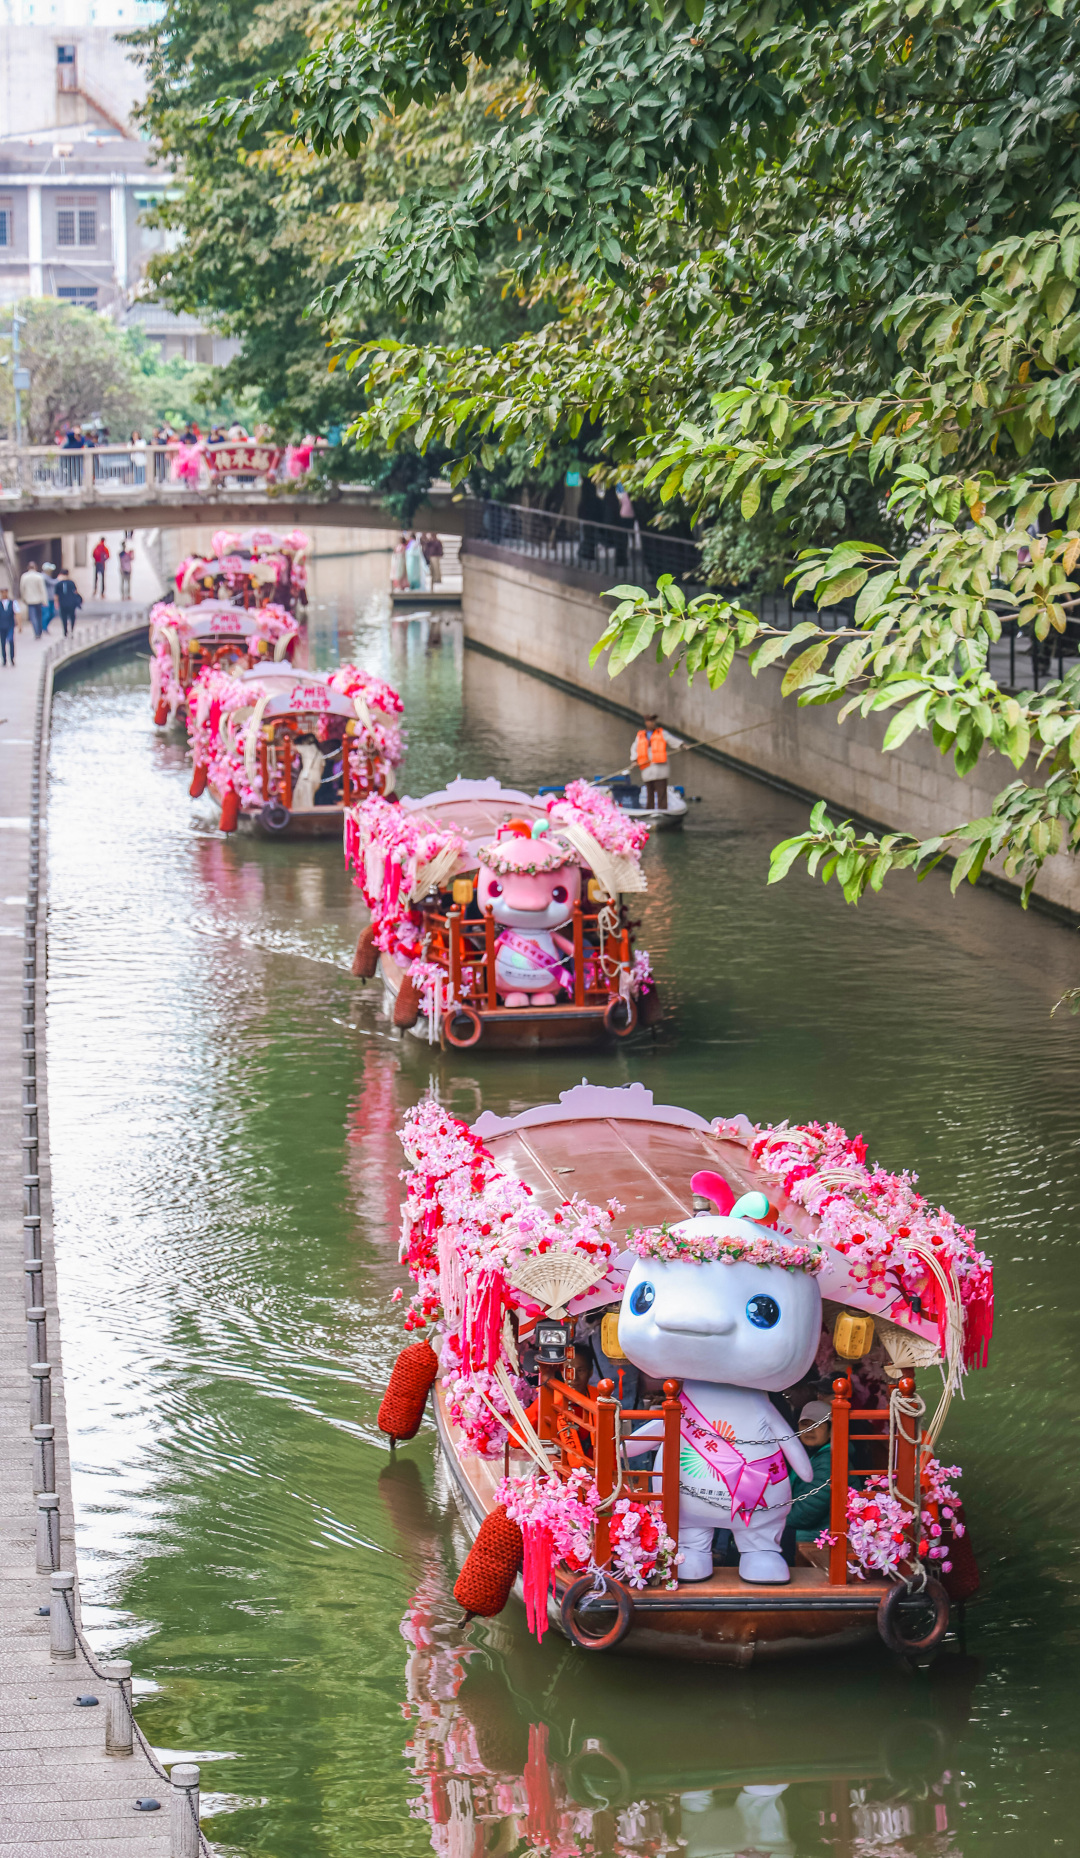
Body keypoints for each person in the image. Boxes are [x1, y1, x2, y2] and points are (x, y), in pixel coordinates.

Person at [787, 1401, 835, 1544]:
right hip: (808, 1527)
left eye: (817, 1424)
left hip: (823, 1533)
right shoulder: (809, 1454)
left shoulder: (829, 1460)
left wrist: (770, 1520)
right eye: (805, 1424)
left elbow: (807, 1512)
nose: (809, 1430)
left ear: (831, 1430)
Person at [630, 712, 680, 811]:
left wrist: (681, 745)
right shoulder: (640, 736)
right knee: (650, 791)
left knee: (661, 791)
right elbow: (634, 748)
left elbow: (672, 740)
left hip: (660, 768)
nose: (652, 723)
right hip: (647, 768)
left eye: (653, 721)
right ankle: (650, 809)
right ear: (646, 722)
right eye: (650, 721)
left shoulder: (661, 733)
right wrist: (634, 759)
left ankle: (662, 809)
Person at [19, 560, 47, 637]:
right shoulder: (39, 576)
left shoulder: (24, 576)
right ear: (35, 567)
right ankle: (39, 631)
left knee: (33, 617)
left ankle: (36, 632)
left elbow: (22, 588)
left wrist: (23, 598)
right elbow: (42, 589)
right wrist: (44, 600)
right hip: (38, 599)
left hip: (29, 600)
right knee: (39, 616)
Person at [54, 568, 81, 637]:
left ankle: (65, 631)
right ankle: (71, 630)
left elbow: (56, 595)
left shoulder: (58, 584)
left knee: (64, 618)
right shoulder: (71, 583)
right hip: (71, 603)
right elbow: (75, 592)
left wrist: (56, 603)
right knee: (72, 617)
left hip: (62, 603)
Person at [0, 587, 16, 666]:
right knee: (3, 643)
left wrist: (19, 625)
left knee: (10, 640)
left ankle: (12, 658)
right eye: (2, 592)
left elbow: (17, 613)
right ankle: (4, 659)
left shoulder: (12, 603)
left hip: (10, 625)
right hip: (1, 626)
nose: (4, 594)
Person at [39, 562, 57, 632]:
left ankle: (44, 627)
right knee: (46, 614)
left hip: (51, 598)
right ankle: (44, 628)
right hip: (46, 598)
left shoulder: (47, 576)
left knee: (52, 613)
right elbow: (53, 582)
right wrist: (60, 578)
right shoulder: (43, 576)